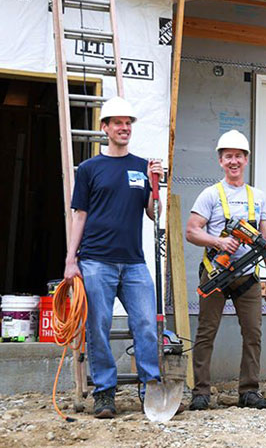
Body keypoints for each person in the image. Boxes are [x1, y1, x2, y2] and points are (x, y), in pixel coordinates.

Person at [63, 96, 163, 419]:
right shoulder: (90, 169)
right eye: (117, 123)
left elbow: (153, 213)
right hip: (95, 261)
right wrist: (70, 259)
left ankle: (151, 387)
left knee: (146, 324)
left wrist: (156, 185)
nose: (124, 128)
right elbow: (80, 215)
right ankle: (105, 392)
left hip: (134, 262)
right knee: (99, 324)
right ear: (104, 127)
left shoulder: (142, 166)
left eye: (128, 123)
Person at [185, 129, 266, 411]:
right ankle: (201, 392)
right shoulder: (210, 194)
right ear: (220, 160)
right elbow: (191, 231)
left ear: (246, 160)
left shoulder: (257, 196)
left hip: (248, 276)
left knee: (253, 333)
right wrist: (218, 241)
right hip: (216, 273)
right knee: (205, 332)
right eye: (228, 156)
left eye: (238, 156)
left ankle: (248, 390)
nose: (233, 161)